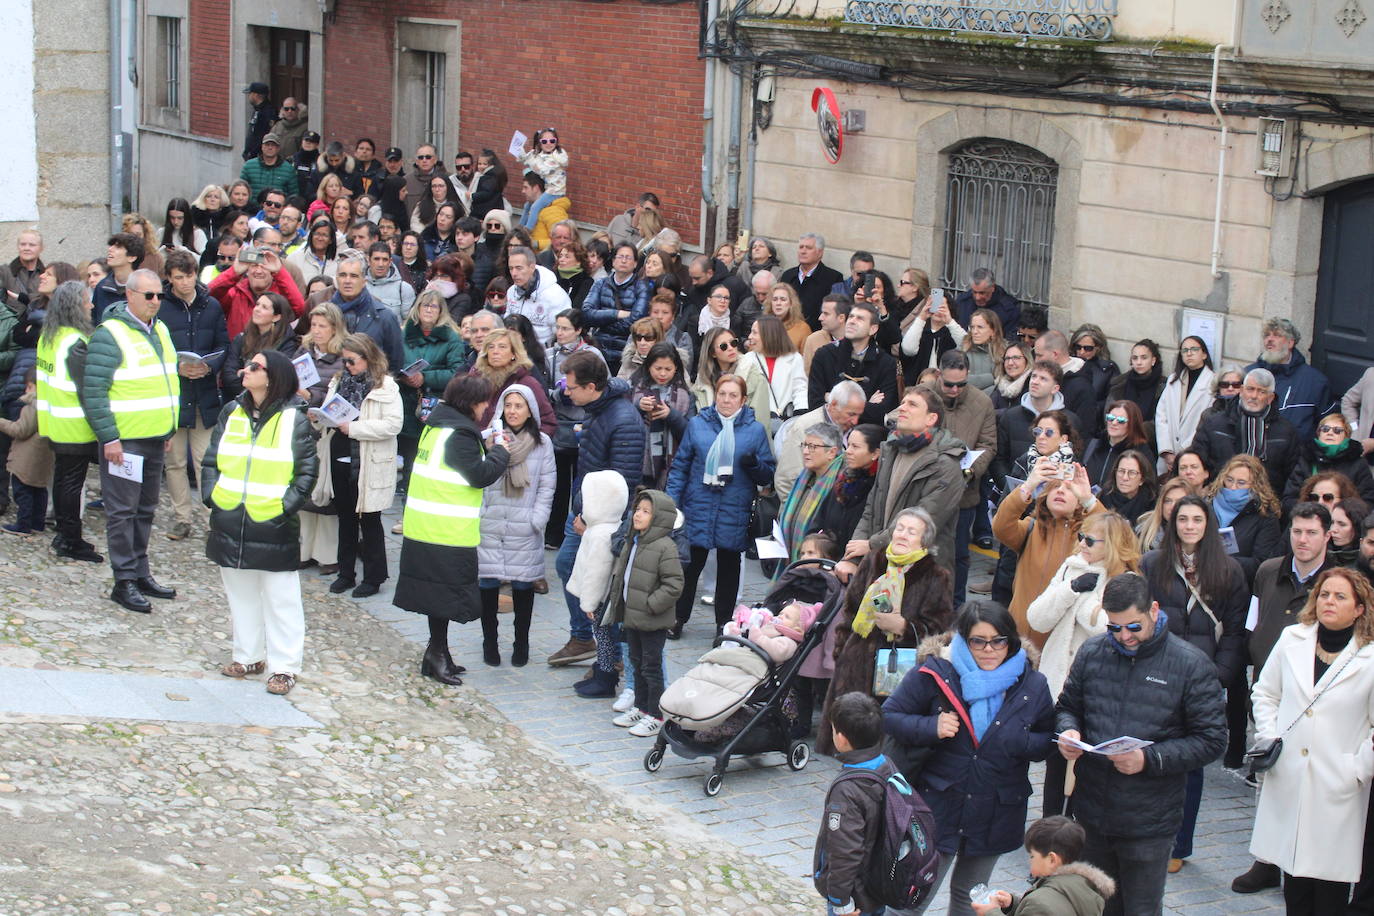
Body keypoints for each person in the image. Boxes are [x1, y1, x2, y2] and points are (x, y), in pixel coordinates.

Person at [1055, 572, 1227, 916]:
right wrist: (1069, 733)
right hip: (1092, 812)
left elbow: (1212, 740)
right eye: (1114, 628)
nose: (1124, 636)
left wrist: (1149, 759)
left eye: (1133, 627)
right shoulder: (1093, 652)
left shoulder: (1190, 664)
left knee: (1141, 909)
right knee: (1096, 907)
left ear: (1154, 610)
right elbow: (1068, 707)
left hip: (1149, 821)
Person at [883, 601, 1056, 916]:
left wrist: (1023, 741)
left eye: (998, 641)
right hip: (939, 803)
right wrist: (930, 727)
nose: (989, 650)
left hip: (995, 808)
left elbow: (1046, 739)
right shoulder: (937, 672)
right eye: (978, 641)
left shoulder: (1032, 684)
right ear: (963, 638)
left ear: (1011, 641)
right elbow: (890, 716)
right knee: (912, 895)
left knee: (970, 900)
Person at [1248, 568, 1374, 914]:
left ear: (1360, 608)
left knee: (1331, 883)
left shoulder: (1369, 656)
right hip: (1289, 774)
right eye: (1324, 594)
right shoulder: (1293, 638)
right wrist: (1270, 737)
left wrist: (1358, 768)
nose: (1329, 602)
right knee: (1295, 880)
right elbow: (1266, 692)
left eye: (1340, 596)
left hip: (1339, 783)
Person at [1140, 495, 1248, 874]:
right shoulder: (1153, 563)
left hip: (1202, 677)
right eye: (1182, 519)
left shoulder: (1229, 570)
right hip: (1157, 672)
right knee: (1150, 753)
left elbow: (1235, 630)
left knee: (1190, 763)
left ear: (1208, 525)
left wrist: (1220, 674)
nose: (1189, 526)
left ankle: (1178, 844)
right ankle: (1147, 834)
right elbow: (1141, 619)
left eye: (1197, 520)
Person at [201, 347, 317, 696]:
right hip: (231, 516)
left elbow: (306, 471)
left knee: (282, 600)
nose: (245, 370)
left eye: (255, 366)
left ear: (273, 377)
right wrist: (212, 495)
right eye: (247, 364)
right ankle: (248, 656)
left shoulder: (293, 418)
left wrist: (285, 507)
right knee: (240, 594)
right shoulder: (231, 411)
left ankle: (284, 666)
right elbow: (211, 460)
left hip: (272, 521)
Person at [394, 374, 510, 685]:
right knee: (444, 597)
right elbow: (479, 475)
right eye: (484, 401)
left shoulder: (438, 426)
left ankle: (437, 652)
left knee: (438, 597)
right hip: (446, 530)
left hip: (426, 525)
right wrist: (500, 452)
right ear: (471, 403)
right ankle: (437, 654)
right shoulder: (459, 435)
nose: (487, 406)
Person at [80, 269, 181, 612]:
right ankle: (123, 579)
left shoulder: (161, 330)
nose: (156, 302)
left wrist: (168, 429)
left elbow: (164, 381)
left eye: (159, 296)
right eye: (149, 295)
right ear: (130, 296)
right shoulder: (110, 334)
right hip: (125, 441)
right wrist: (109, 438)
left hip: (153, 437)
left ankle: (139, 571)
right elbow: (93, 392)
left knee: (145, 510)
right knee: (123, 512)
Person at [1027, 511, 1140, 816]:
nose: (1082, 544)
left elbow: (1113, 629)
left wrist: (1085, 604)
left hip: (1099, 689)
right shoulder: (1071, 568)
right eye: (1080, 537)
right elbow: (1036, 618)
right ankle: (1050, 832)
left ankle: (1080, 834)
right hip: (1058, 684)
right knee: (1055, 763)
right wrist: (1070, 589)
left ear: (1113, 544)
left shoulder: (1127, 581)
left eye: (1090, 540)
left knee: (1088, 770)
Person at [818, 507, 953, 756]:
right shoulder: (874, 560)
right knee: (848, 731)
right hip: (857, 659)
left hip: (896, 665)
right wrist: (841, 650)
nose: (902, 535)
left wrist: (904, 627)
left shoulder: (936, 575)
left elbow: (938, 629)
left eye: (911, 532)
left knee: (883, 744)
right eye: (900, 528)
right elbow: (851, 607)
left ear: (924, 540)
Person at [550, 349, 646, 666]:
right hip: (583, 508)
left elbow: (624, 481)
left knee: (602, 584)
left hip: (602, 519)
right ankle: (582, 638)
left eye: (572, 386)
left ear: (592, 387)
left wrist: (594, 526)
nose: (566, 391)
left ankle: (610, 656)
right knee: (568, 567)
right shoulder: (596, 407)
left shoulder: (624, 420)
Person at [666, 373, 776, 635]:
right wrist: (672, 503)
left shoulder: (755, 430)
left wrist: (754, 464)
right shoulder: (697, 424)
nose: (726, 400)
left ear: (743, 400)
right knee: (689, 566)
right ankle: (677, 620)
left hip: (733, 507)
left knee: (729, 570)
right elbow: (680, 467)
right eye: (722, 394)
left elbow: (766, 475)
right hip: (698, 504)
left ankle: (723, 625)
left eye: (733, 395)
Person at [841, 386, 965, 582]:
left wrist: (872, 544)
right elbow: (871, 509)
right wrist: (854, 556)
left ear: (930, 419)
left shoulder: (945, 464)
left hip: (921, 573)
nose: (902, 408)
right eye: (903, 403)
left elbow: (923, 523)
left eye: (912, 405)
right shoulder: (891, 451)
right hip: (881, 563)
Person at [311, 333, 402, 598]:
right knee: (345, 519)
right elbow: (332, 411)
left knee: (370, 520)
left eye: (351, 361)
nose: (347, 366)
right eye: (344, 361)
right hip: (339, 455)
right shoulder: (340, 380)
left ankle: (374, 578)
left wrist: (354, 428)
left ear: (368, 357)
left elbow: (393, 425)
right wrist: (319, 416)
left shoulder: (386, 386)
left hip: (369, 460)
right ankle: (346, 573)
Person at [476, 385, 556, 667]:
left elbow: (547, 485)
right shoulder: (490, 439)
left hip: (525, 524)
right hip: (491, 523)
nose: (512, 411)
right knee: (487, 584)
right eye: (508, 405)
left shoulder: (542, 443)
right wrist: (481, 513)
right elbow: (479, 477)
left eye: (519, 406)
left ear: (530, 410)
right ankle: (489, 641)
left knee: (523, 587)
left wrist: (538, 519)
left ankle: (521, 642)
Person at [599, 489, 686, 738]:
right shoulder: (633, 542)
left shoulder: (664, 547)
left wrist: (651, 605)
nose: (638, 515)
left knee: (651, 666)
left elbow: (674, 584)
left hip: (651, 618)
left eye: (646, 512)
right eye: (637, 509)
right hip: (632, 616)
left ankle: (656, 715)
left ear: (659, 517)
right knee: (636, 663)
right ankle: (641, 707)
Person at [992, 458, 1106, 645]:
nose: (1061, 490)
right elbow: (1000, 526)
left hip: (1060, 643)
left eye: (1069, 488)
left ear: (1079, 503)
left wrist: (1089, 499)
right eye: (1054, 487)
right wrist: (1028, 486)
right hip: (1020, 635)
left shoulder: (1086, 538)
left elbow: (1110, 536)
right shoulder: (1031, 528)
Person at [158, 250, 230, 541]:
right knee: (174, 462)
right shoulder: (161, 307)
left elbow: (223, 345)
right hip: (174, 396)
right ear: (169, 279)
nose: (185, 282)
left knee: (206, 460)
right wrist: (176, 367)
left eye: (189, 276)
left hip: (203, 393)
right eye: (179, 278)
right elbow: (155, 349)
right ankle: (181, 517)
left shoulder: (210, 306)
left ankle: (212, 517)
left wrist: (208, 367)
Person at [813, 691, 900, 916]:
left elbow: (845, 850)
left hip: (854, 897)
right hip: (876, 886)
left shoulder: (847, 790)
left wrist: (840, 901)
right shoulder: (887, 765)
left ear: (841, 738)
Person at [36, 282, 103, 562]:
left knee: (64, 482)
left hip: (54, 423)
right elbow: (87, 389)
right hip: (75, 427)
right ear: (74, 306)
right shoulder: (75, 341)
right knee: (71, 485)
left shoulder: (49, 337)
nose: (90, 305)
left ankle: (65, 535)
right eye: (86, 301)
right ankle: (70, 539)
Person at [970, 817, 1117, 916]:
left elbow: (1042, 909)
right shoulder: (1082, 884)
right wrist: (1013, 904)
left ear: (1052, 859)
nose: (1030, 861)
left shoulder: (1040, 902)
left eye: (1033, 856)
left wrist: (992, 912)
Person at [1192, 366, 1300, 496]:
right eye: (1250, 389)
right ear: (1242, 391)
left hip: (1265, 504)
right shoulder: (1214, 424)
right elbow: (1198, 460)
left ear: (1270, 398)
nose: (1254, 396)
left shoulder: (1285, 432)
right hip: (1219, 498)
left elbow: (1292, 475)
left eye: (1261, 392)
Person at [1244, 316, 1336, 442]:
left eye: (1276, 335)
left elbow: (1329, 424)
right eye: (1266, 335)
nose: (1269, 340)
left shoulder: (1315, 381)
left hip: (1297, 456)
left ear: (1290, 342)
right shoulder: (1248, 374)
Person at [808, 301, 900, 426]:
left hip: (866, 436)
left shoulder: (886, 363)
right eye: (851, 317)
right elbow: (815, 404)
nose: (852, 321)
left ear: (873, 329)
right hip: (828, 430)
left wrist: (834, 399)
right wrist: (867, 403)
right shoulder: (824, 355)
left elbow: (881, 412)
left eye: (860, 319)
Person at [775, 380, 866, 502]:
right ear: (833, 405)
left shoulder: (851, 430)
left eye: (858, 415)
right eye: (851, 414)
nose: (855, 421)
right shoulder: (804, 426)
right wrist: (802, 513)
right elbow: (787, 479)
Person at [777, 424, 844, 569]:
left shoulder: (840, 484)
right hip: (794, 561)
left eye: (812, 447)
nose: (806, 452)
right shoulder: (805, 477)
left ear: (831, 452)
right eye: (805, 445)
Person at [628, 342, 693, 489]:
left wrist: (671, 416)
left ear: (676, 368)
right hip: (639, 462)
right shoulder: (635, 387)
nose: (662, 374)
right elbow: (623, 419)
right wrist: (639, 407)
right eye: (658, 368)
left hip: (673, 465)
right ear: (649, 366)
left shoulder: (686, 394)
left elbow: (690, 432)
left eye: (668, 369)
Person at [992, 360, 1066, 488]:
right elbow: (998, 460)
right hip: (1014, 493)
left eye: (1043, 379)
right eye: (1034, 376)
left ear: (1055, 388)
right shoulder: (1010, 417)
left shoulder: (1068, 420)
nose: (1035, 381)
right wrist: (1010, 488)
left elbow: (1074, 461)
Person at [471, 328, 557, 437]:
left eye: (502, 347)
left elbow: (548, 422)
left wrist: (526, 445)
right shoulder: (475, 380)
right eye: (491, 347)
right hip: (478, 444)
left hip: (514, 449)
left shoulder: (527, 383)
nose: (495, 351)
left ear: (514, 353)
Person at [209, 244, 305, 339]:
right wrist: (234, 272)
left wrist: (279, 272)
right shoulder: (235, 293)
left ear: (272, 271)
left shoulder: (280, 296)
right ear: (247, 269)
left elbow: (299, 308)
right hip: (237, 352)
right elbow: (208, 294)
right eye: (254, 265)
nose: (258, 271)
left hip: (271, 352)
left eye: (264, 266)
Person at [1283, 410, 1374, 510]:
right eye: (1325, 429)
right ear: (1319, 433)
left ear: (1346, 435)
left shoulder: (1358, 463)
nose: (1330, 432)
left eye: (1337, 430)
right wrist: (1310, 511)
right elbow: (1289, 498)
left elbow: (1367, 500)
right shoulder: (1306, 459)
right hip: (1308, 517)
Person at [815, 423, 887, 548]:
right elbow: (819, 521)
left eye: (855, 447)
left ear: (875, 454)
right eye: (848, 445)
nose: (848, 451)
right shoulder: (843, 483)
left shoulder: (881, 488)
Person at [0, 368, 51, 536]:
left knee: (23, 490)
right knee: (39, 490)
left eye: (28, 386)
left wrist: (2, 422)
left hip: (28, 456)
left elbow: (21, 430)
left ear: (33, 386)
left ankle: (23, 524)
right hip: (44, 454)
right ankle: (38, 522)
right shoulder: (51, 404)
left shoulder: (33, 406)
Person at [582, 242, 650, 363]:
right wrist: (617, 314)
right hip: (598, 347)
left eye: (628, 258)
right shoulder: (600, 284)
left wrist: (602, 322)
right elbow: (586, 314)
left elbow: (636, 321)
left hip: (625, 351)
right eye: (620, 257)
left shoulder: (642, 287)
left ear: (635, 263)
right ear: (613, 261)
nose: (624, 261)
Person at [1155, 336, 1215, 472]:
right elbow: (1161, 415)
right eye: (1185, 350)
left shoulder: (1212, 383)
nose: (1189, 353)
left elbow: (1206, 421)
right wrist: (1167, 451)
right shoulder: (1173, 380)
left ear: (1204, 354)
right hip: (1168, 457)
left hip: (1193, 453)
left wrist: (1184, 451)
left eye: (1194, 349)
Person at [742, 314, 808, 426]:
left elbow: (800, 389)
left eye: (754, 332)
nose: (749, 336)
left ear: (768, 335)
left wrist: (799, 416)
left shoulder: (794, 358)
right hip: (755, 423)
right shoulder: (747, 359)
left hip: (787, 423)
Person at [1033, 331, 1098, 437]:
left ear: (1055, 354)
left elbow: (1084, 431)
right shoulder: (1036, 376)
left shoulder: (1082, 387)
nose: (1036, 360)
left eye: (1039, 355)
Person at [505, 246, 568, 346]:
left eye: (519, 268)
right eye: (511, 268)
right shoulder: (511, 292)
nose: (514, 273)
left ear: (532, 267)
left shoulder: (555, 295)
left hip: (543, 355)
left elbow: (563, 334)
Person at [1081, 400, 1153, 488]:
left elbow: (1149, 488)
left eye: (1121, 420)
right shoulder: (1092, 446)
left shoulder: (1141, 453)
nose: (1114, 423)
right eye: (1110, 418)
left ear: (1132, 424)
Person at [780, 233, 844, 328]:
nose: (803, 251)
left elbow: (835, 310)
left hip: (817, 333)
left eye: (808, 248)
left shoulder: (833, 278)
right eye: (801, 247)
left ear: (820, 253)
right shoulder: (788, 275)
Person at [1107, 339, 1165, 437]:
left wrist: (1137, 433)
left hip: (1146, 439)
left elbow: (1160, 421)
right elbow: (1109, 411)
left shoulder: (1163, 387)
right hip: (1118, 435)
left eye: (1144, 358)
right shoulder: (1120, 383)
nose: (1139, 362)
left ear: (1153, 360)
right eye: (1135, 358)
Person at [516, 129, 569, 230]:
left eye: (552, 141)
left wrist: (531, 161)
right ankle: (519, 228)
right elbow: (524, 159)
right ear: (540, 143)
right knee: (527, 205)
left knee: (535, 207)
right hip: (547, 189)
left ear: (556, 141)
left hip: (555, 191)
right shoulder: (539, 154)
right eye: (545, 141)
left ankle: (527, 230)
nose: (549, 144)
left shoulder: (557, 155)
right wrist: (519, 149)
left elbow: (543, 170)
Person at [953, 267, 1020, 340]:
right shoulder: (963, 301)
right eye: (974, 292)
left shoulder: (1009, 310)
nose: (977, 297)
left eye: (982, 293)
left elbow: (1009, 340)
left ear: (992, 288)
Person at [1097, 450, 1157, 523]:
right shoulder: (1103, 497)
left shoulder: (1151, 504)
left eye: (1132, 473)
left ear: (1142, 479)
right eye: (1121, 471)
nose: (1125, 478)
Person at [365, 242, 416, 324]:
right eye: (376, 259)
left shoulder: (403, 289)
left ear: (390, 262)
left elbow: (409, 323)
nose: (380, 264)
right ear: (368, 260)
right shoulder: (359, 286)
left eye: (385, 260)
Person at [239, 133, 299, 199]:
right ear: (262, 147)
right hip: (252, 208)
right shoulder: (249, 166)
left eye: (273, 145)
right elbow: (240, 188)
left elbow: (294, 195)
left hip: (277, 207)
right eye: (267, 145)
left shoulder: (288, 169)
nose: (270, 148)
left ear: (278, 148)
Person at [241, 81, 276, 161]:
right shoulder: (257, 109)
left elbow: (263, 135)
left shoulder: (268, 112)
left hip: (259, 157)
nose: (248, 96)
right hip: (252, 156)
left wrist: (254, 152)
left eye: (250, 94)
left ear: (256, 95)